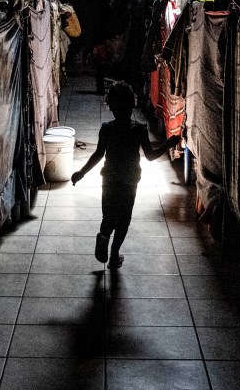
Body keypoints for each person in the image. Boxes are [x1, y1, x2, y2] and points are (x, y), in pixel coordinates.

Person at [70, 81, 181, 269]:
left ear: (111, 107)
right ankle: (114, 254)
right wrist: (168, 145)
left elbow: (98, 155)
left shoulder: (107, 128)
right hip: (130, 181)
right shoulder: (139, 129)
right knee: (124, 218)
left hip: (110, 179)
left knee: (109, 215)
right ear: (133, 104)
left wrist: (82, 172)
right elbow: (151, 156)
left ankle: (104, 235)